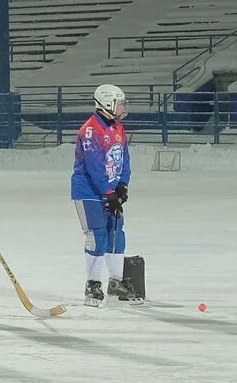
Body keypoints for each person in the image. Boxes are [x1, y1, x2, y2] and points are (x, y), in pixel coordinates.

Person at [71, 84, 142, 306]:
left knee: (116, 233)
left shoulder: (118, 128)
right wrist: (108, 192)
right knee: (97, 234)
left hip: (109, 190)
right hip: (89, 191)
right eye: (119, 103)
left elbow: (125, 159)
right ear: (107, 103)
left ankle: (116, 282)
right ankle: (92, 285)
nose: (122, 107)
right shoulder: (91, 130)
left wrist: (122, 185)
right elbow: (95, 166)